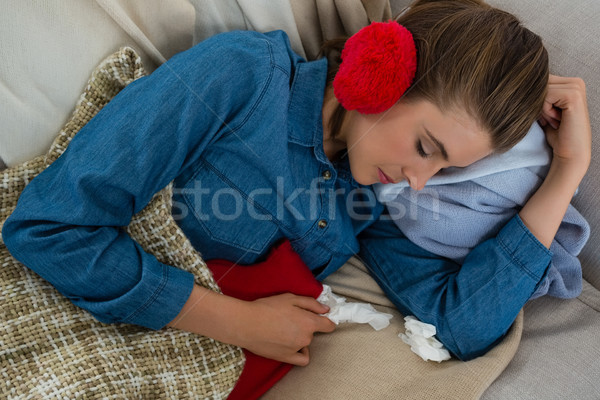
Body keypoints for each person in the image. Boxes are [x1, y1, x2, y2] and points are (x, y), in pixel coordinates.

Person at [2, 0, 591, 373]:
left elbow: (460, 327)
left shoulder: (371, 197)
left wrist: (566, 172)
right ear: (377, 72)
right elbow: (48, 226)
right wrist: (237, 322)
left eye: (446, 170)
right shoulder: (240, 77)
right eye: (425, 147)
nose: (419, 182)